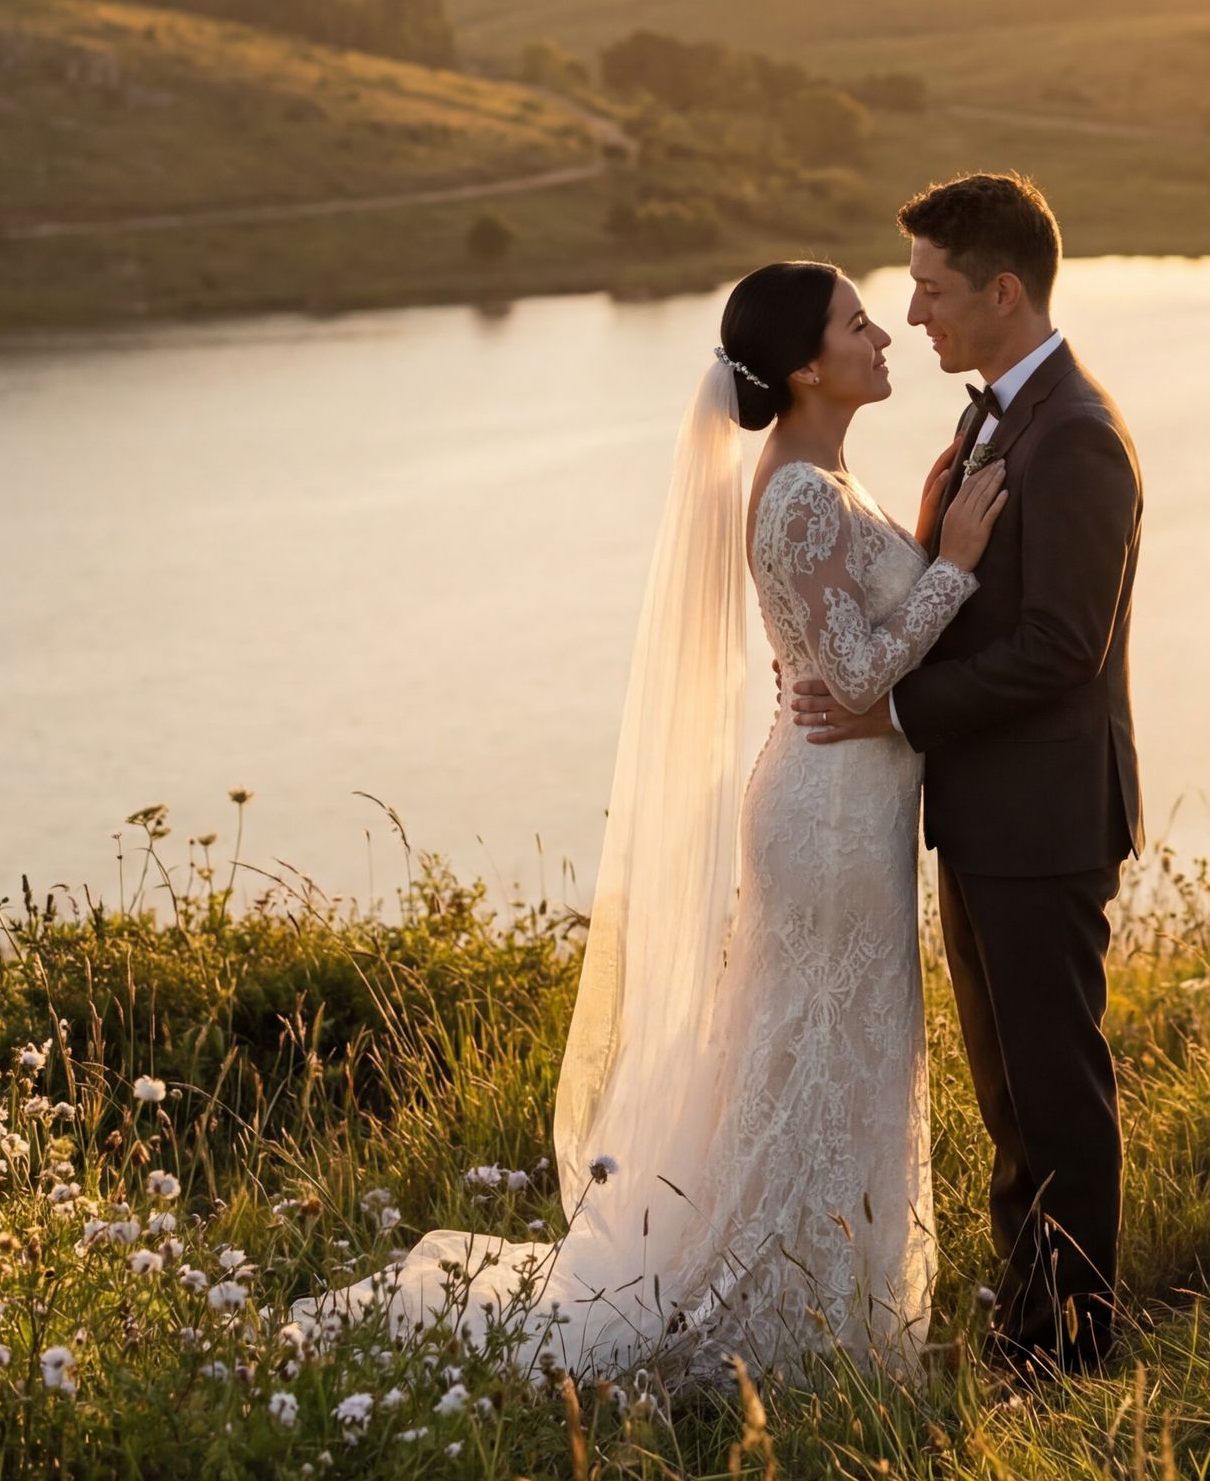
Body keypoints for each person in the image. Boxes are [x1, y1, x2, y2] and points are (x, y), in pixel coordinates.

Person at [301, 261, 1008, 1380]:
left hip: (852, 810)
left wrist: (920, 539)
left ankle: (839, 1318)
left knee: (838, 1064)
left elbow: (843, 650)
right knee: (820, 1064)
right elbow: (858, 676)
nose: (884, 336)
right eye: (857, 323)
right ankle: (781, 1328)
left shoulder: (829, 479)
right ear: (803, 366)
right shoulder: (796, 494)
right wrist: (954, 567)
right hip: (826, 819)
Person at [794, 171, 1144, 1374]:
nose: (913, 314)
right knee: (1008, 1094)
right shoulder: (995, 418)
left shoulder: (1078, 437)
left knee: (1055, 1092)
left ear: (1003, 292)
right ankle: (1024, 1325)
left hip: (1046, 818)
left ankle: (1074, 1350)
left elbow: (1063, 646)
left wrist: (892, 708)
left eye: (932, 290)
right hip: (989, 814)